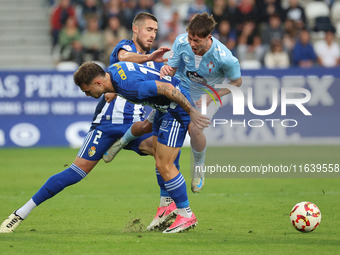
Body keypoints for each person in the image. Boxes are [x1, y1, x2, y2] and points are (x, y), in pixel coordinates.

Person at [74, 61, 210, 233]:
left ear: (98, 83)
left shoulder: (130, 86)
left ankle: (186, 214)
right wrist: (114, 92)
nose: (87, 95)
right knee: (153, 146)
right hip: (161, 107)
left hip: (175, 107)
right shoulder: (114, 71)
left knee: (164, 164)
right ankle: (168, 206)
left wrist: (192, 112)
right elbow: (140, 74)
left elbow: (167, 89)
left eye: (87, 90)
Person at [160, 13, 242, 193]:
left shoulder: (225, 58)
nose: (192, 44)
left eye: (197, 40)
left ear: (208, 38)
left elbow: (237, 83)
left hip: (208, 95)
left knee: (195, 129)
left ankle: (199, 167)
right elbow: (172, 70)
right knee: (149, 122)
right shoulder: (181, 42)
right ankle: (123, 140)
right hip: (182, 88)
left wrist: (212, 96)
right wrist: (166, 70)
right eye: (190, 38)